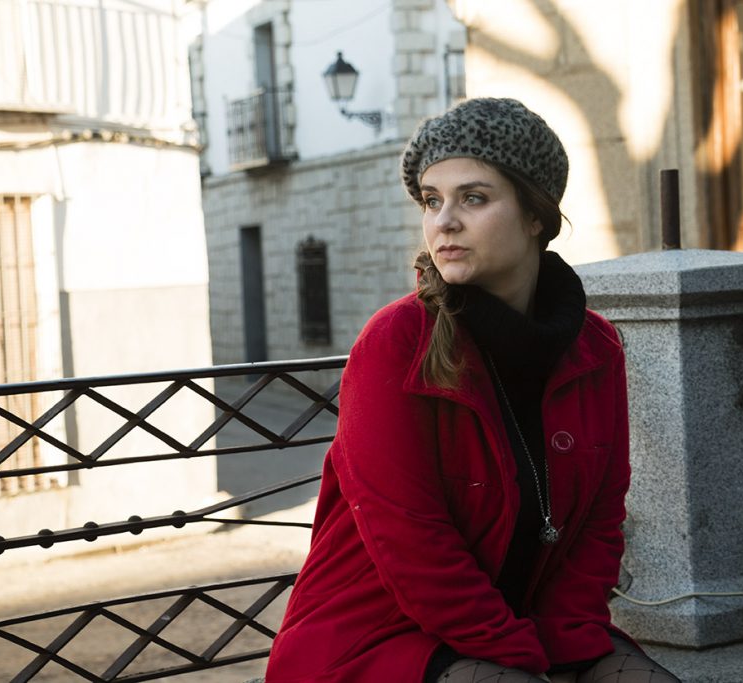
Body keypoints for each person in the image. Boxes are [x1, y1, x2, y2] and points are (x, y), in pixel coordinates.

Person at [265, 98, 679, 683]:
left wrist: (568, 640)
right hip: (380, 637)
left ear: (535, 215)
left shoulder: (595, 346)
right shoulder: (396, 341)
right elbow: (411, 541)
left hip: (534, 626)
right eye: (432, 201)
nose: (444, 222)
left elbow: (599, 522)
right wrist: (523, 659)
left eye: (474, 198)